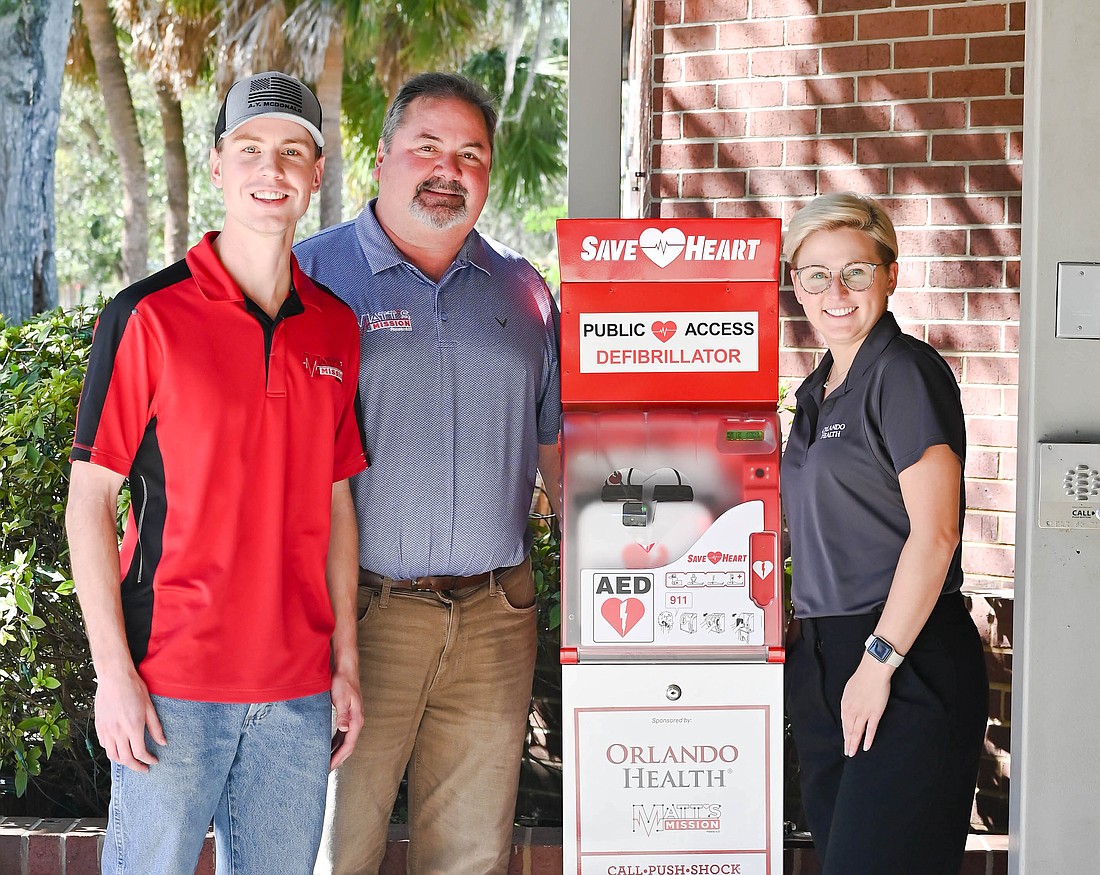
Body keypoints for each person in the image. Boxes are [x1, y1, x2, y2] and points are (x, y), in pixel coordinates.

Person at [65, 71, 367, 875]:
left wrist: (346, 662)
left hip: (298, 693)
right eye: (251, 150)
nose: (271, 171)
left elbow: (337, 503)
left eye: (292, 153)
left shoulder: (336, 329)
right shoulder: (147, 317)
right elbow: (89, 502)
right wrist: (113, 676)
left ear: (316, 171)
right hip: (172, 685)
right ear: (217, 166)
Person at [293, 71, 562, 875]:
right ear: (382, 159)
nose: (448, 170)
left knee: (473, 855)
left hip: (496, 615)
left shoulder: (525, 290)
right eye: (427, 148)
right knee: (335, 850)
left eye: (470, 154)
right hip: (360, 619)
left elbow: (558, 452)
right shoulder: (308, 279)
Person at [780, 193, 988, 875]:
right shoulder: (815, 391)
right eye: (815, 274)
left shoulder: (904, 372)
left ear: (890, 274)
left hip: (903, 657)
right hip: (826, 659)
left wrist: (877, 662)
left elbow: (937, 533)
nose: (834, 291)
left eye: (855, 271)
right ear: (796, 285)